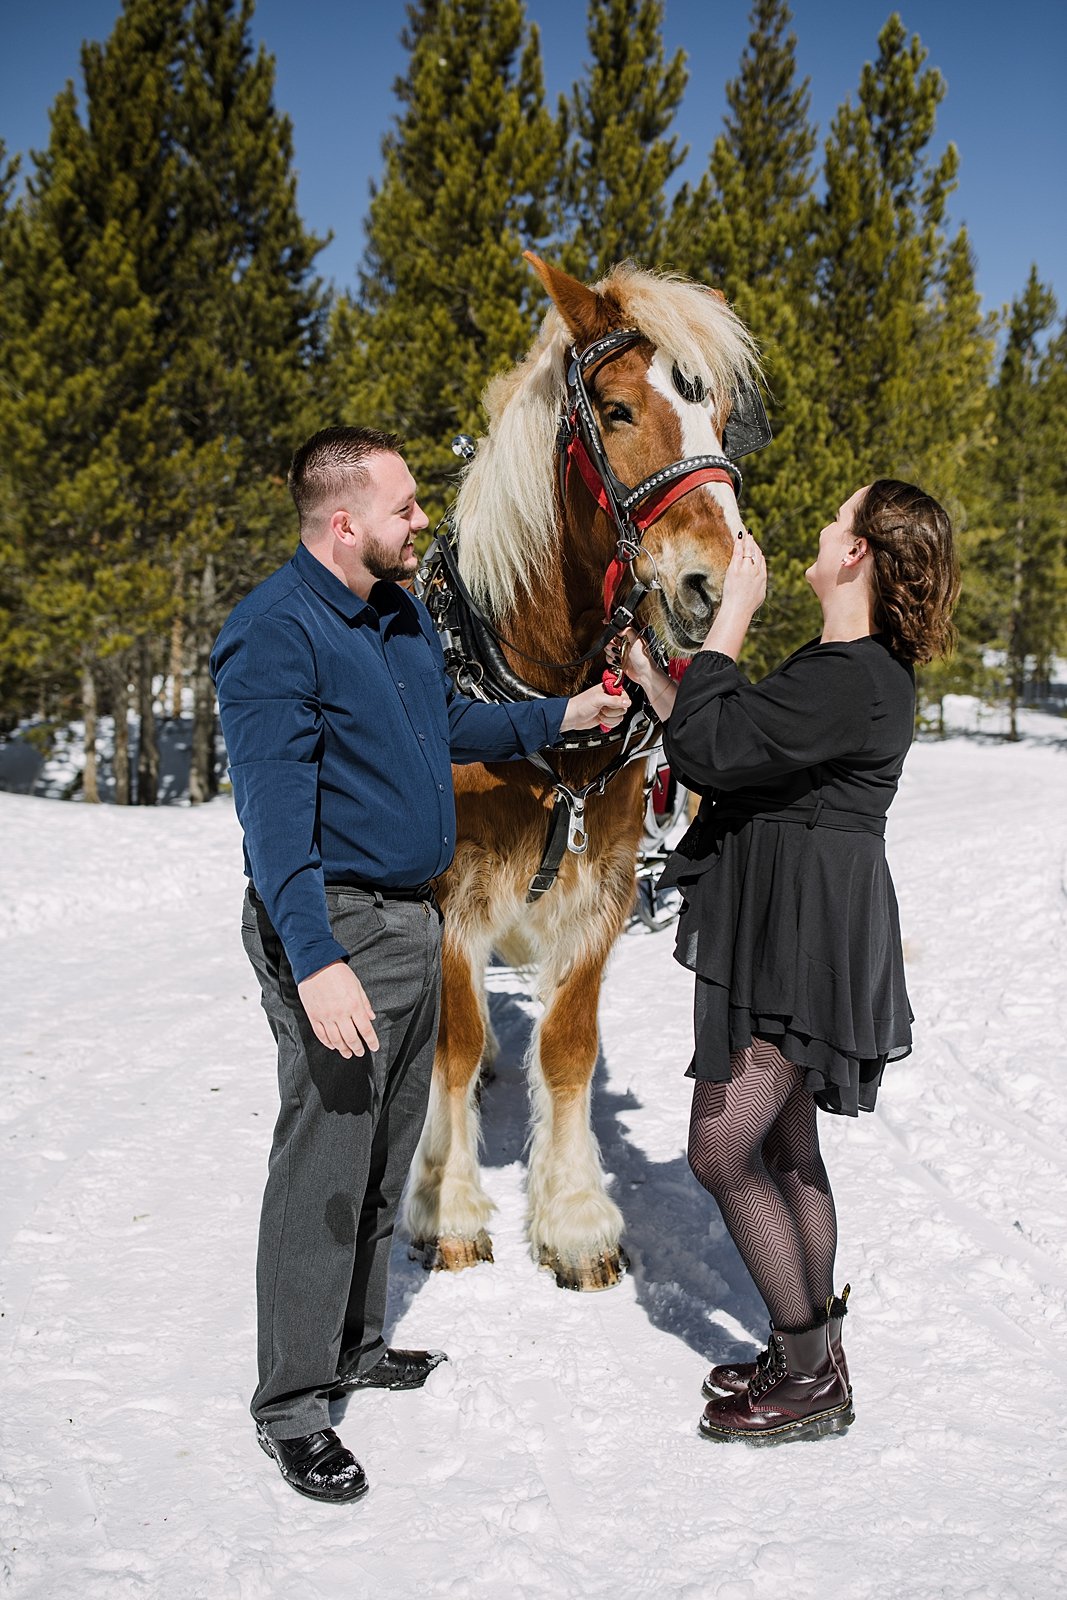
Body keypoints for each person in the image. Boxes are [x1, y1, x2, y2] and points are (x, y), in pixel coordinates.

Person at [211, 425, 629, 1503]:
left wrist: (561, 713)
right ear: (342, 522)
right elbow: (271, 827)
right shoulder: (273, 633)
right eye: (404, 507)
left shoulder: (395, 612)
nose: (423, 521)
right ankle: (294, 1405)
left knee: (386, 1148)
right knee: (323, 1164)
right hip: (337, 928)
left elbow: (443, 720)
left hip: (410, 920)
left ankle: (353, 1344)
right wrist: (314, 962)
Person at [616, 479, 959, 1447]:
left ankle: (806, 1374)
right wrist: (653, 675)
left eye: (831, 516)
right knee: (785, 1147)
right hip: (810, 920)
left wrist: (730, 615)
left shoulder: (846, 673)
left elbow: (720, 749)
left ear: (853, 554)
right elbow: (735, 744)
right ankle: (812, 1351)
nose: (815, 527)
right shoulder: (852, 669)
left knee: (720, 1149)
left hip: (795, 934)